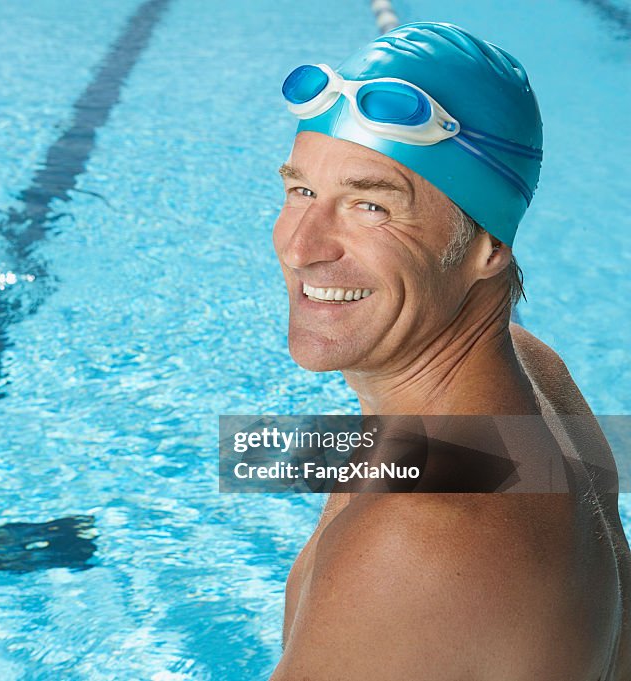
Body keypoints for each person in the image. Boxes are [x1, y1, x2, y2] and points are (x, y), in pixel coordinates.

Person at [270, 23, 630, 679]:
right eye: (302, 191)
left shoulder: (416, 541)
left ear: (487, 246)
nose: (302, 246)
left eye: (371, 205)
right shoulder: (535, 372)